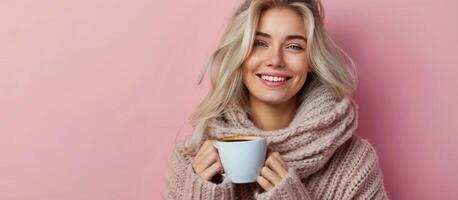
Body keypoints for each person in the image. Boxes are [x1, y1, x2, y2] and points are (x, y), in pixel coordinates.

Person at [163, 0, 389, 199]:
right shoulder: (191, 159)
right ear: (239, 54)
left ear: (311, 60)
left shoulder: (353, 162)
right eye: (260, 43)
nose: (275, 60)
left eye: (294, 46)